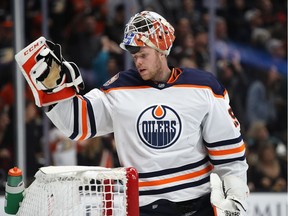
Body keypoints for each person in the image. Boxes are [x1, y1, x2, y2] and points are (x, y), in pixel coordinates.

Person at [16, 11, 249, 216]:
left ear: (161, 50)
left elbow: (230, 155)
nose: (137, 61)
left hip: (200, 207)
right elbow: (76, 124)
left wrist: (236, 198)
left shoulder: (204, 87)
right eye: (134, 56)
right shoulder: (119, 89)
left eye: (143, 54)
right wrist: (54, 90)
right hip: (147, 209)